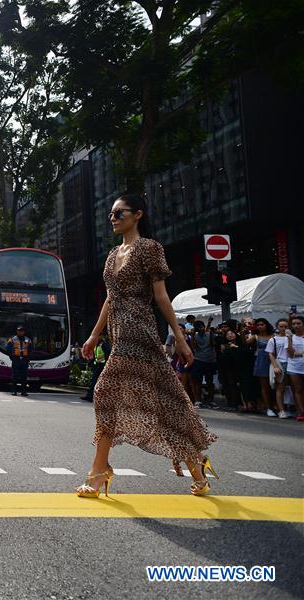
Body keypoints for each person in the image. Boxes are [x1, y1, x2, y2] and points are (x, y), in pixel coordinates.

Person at [76, 193, 217, 498]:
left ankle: (99, 470)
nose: (113, 219)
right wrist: (95, 334)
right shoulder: (113, 254)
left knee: (104, 392)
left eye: (119, 213)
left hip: (140, 331)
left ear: (137, 215)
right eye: (111, 215)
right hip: (119, 334)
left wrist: (178, 336)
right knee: (166, 403)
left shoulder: (149, 248)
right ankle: (197, 467)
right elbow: (111, 299)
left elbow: (161, 296)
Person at [266, 318, 293, 418]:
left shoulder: (291, 337)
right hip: (281, 363)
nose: (283, 328)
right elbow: (271, 353)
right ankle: (281, 410)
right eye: (281, 326)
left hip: (292, 363)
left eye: (285, 326)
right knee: (280, 387)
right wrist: (275, 366)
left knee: (293, 388)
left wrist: (289, 338)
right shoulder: (273, 339)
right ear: (277, 327)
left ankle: (292, 409)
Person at [190, 318, 218, 408]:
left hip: (209, 361)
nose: (201, 329)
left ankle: (211, 401)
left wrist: (209, 324)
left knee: (210, 382)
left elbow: (212, 344)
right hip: (198, 360)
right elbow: (194, 347)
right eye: (199, 328)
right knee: (197, 382)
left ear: (204, 327)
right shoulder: (195, 336)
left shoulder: (210, 334)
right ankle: (198, 401)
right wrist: (193, 334)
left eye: (202, 327)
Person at [80, 333, 110, 402]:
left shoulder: (103, 344)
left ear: (101, 336)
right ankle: (91, 396)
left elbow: (107, 354)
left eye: (98, 335)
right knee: (95, 381)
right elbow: (96, 355)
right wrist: (91, 363)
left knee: (94, 381)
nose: (97, 337)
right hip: (98, 366)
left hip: (101, 366)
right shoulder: (98, 344)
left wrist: (104, 364)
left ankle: (90, 396)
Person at [285, 315, 304, 422]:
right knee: (298, 389)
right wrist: (289, 338)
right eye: (294, 324)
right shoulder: (290, 337)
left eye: (298, 323)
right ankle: (301, 412)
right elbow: (291, 353)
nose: (296, 326)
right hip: (294, 367)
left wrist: (299, 354)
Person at [5, 326, 33, 397]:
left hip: (24, 360)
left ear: (24, 332)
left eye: (21, 331)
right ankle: (14, 391)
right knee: (15, 376)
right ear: (17, 331)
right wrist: (12, 357)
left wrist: (28, 358)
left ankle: (23, 391)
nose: (20, 332)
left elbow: (31, 349)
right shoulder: (12, 339)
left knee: (24, 376)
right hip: (16, 359)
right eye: (18, 331)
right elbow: (8, 349)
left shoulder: (28, 340)